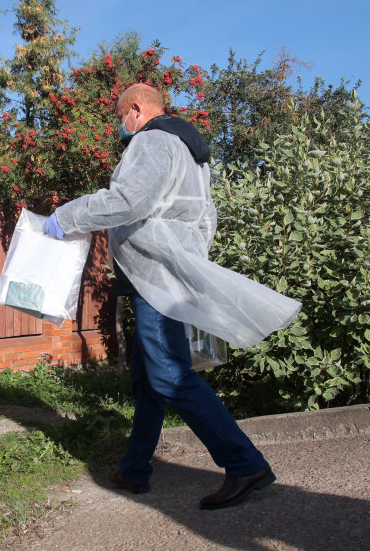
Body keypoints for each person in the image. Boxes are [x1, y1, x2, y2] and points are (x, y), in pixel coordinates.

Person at [44, 83, 299, 510]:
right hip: (163, 273)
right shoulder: (189, 149)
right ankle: (134, 468)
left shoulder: (152, 141)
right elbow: (203, 217)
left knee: (169, 375)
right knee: (148, 380)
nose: (119, 126)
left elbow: (129, 199)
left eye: (120, 116)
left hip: (156, 278)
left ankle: (244, 463)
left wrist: (67, 216)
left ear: (136, 110)